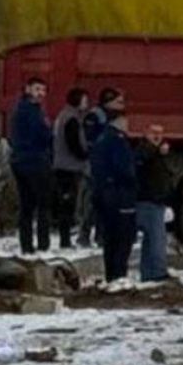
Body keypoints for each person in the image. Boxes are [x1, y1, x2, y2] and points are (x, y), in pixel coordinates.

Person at [89, 112, 138, 284]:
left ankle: (111, 275)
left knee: (110, 236)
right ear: (118, 121)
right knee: (123, 237)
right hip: (119, 194)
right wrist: (133, 181)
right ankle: (118, 276)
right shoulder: (117, 141)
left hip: (104, 193)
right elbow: (125, 169)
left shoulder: (101, 139)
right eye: (125, 120)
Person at [8, 77, 53, 255]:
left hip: (21, 160)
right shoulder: (30, 111)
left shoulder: (21, 108)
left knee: (27, 205)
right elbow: (41, 135)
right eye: (37, 89)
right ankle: (42, 244)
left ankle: (27, 245)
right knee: (42, 203)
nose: (41, 94)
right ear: (27, 89)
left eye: (43, 90)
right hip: (34, 160)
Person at [76, 89, 119, 248]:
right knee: (91, 203)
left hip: (105, 166)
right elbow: (91, 141)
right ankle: (84, 235)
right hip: (95, 167)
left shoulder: (109, 117)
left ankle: (100, 236)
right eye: (117, 101)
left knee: (103, 203)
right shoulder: (95, 117)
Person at [134, 124, 174, 282]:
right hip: (148, 201)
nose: (158, 136)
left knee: (152, 240)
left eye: (160, 133)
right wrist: (158, 151)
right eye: (154, 133)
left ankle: (149, 272)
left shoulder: (154, 153)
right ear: (145, 133)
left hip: (155, 201)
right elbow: (144, 159)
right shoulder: (145, 150)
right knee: (157, 239)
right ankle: (157, 273)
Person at [51, 87, 90, 249]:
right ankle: (65, 241)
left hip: (62, 165)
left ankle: (65, 238)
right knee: (68, 205)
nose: (87, 104)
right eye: (85, 100)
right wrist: (84, 154)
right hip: (69, 167)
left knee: (65, 205)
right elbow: (73, 143)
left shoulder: (63, 115)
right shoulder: (72, 119)